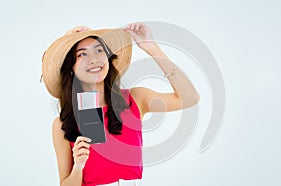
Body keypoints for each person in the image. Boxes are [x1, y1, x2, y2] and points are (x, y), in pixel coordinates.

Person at [42, 22, 199, 186]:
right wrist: (78, 166)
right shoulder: (62, 124)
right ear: (71, 67)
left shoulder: (135, 99)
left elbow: (189, 98)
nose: (94, 59)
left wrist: (152, 48)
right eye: (82, 54)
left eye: (99, 50)